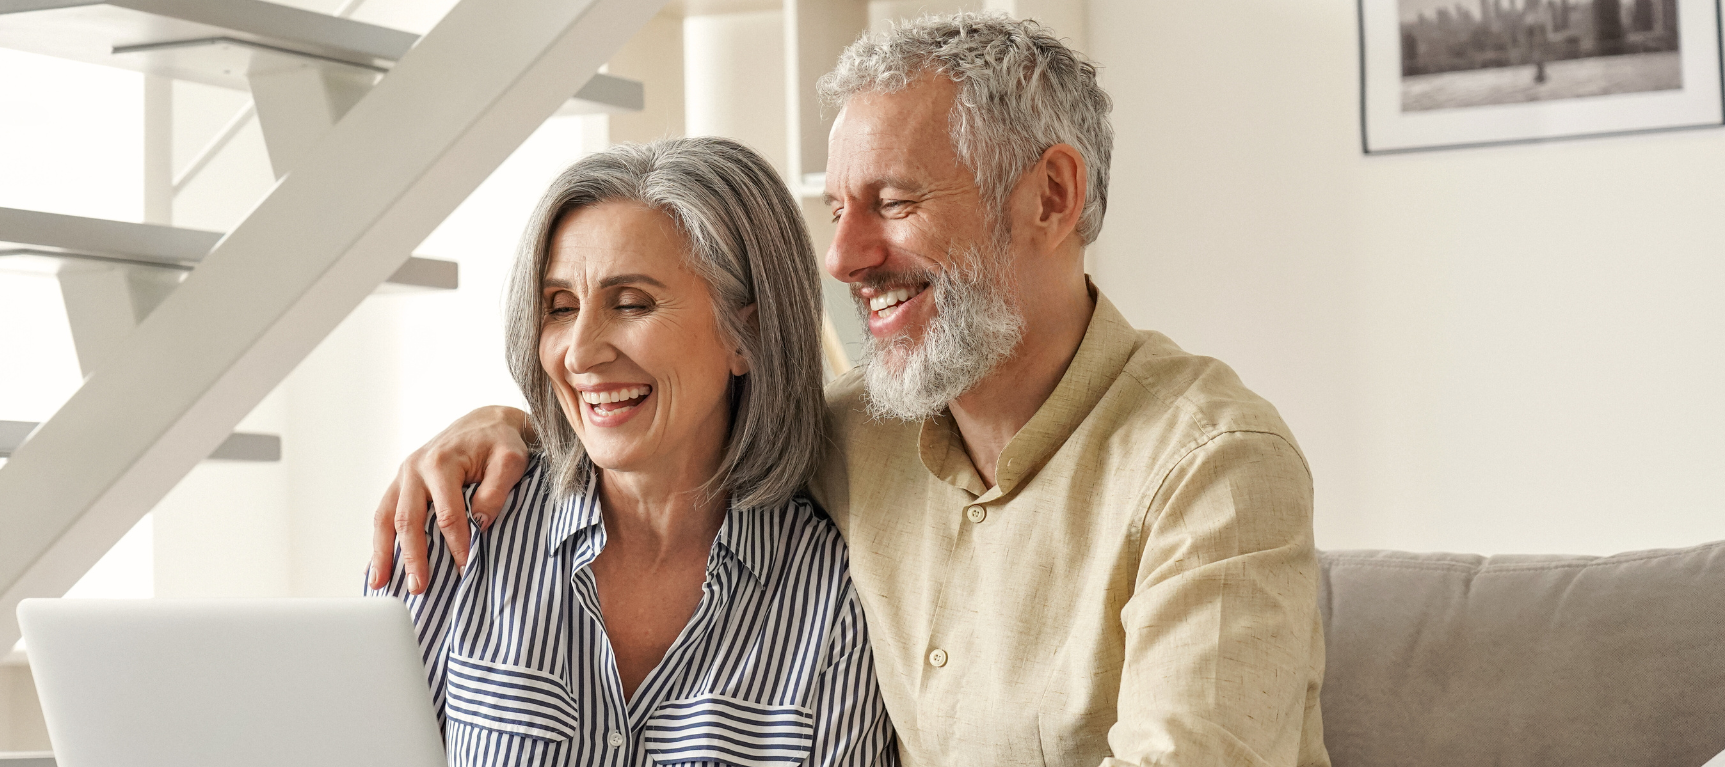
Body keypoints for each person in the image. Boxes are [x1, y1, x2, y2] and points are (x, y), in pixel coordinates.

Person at [370, 14, 1329, 767]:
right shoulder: (850, 437)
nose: (842, 256)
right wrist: (511, 428)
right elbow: (674, 422)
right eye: (837, 209)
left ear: (1051, 196)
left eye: (894, 203)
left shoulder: (1215, 471)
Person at [368, 137, 897, 766]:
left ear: (746, 334)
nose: (580, 352)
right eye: (561, 307)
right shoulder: (455, 528)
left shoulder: (834, 599)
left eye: (631, 303)